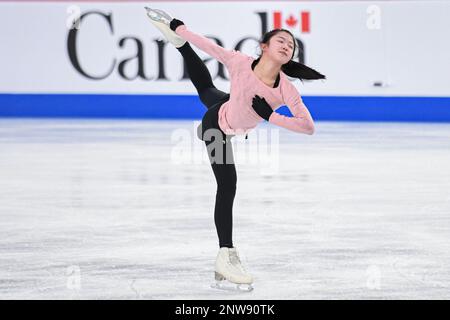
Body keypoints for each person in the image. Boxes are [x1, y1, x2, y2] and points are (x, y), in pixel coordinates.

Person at [145, 7, 325, 291]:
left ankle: (179, 48)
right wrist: (180, 29)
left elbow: (308, 126)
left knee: (206, 90)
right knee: (227, 185)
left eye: (291, 45)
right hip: (216, 125)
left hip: (231, 109)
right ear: (264, 47)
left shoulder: (286, 89)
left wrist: (271, 117)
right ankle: (225, 254)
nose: (287, 46)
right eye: (281, 41)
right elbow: (209, 46)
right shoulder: (240, 62)